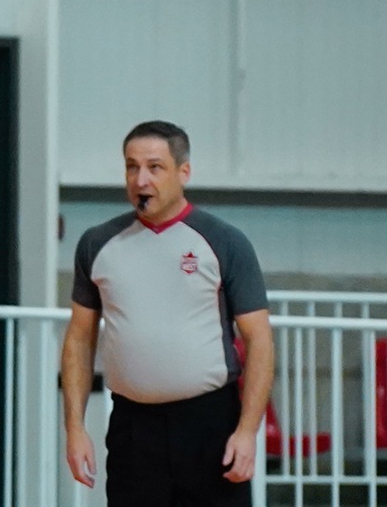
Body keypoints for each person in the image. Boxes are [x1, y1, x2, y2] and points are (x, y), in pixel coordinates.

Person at [61, 120, 274, 507]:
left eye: (154, 167)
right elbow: (79, 338)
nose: (141, 179)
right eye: (131, 167)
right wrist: (74, 428)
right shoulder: (97, 244)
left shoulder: (225, 241)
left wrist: (246, 431)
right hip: (132, 427)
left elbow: (259, 340)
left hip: (210, 423)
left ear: (184, 172)